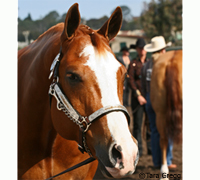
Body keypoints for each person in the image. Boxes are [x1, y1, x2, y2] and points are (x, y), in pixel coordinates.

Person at [141, 36, 176, 169]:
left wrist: (146, 96)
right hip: (163, 98)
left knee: (155, 130)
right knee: (168, 129)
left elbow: (143, 86)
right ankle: (167, 160)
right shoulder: (165, 64)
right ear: (162, 50)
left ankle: (157, 161)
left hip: (150, 98)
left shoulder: (146, 66)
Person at [128, 38, 150, 156]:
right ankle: (139, 150)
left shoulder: (149, 63)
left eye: (143, 48)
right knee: (137, 124)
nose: (142, 50)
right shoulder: (133, 63)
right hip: (138, 99)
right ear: (137, 49)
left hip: (149, 97)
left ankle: (151, 149)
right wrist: (138, 95)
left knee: (150, 124)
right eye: (140, 48)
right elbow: (131, 80)